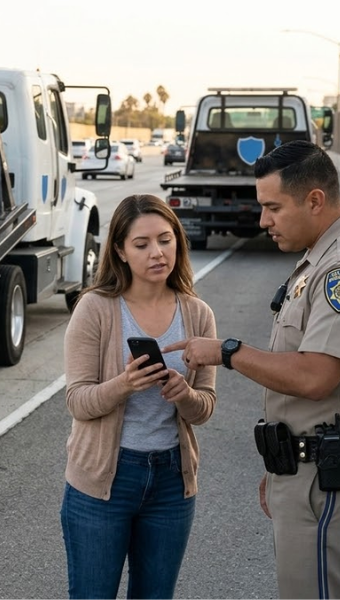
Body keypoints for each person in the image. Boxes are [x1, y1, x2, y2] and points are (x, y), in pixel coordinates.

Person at [168, 140, 340, 599]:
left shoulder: (335, 269)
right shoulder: (316, 259)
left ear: (315, 200)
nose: (263, 220)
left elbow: (316, 376)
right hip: (307, 472)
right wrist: (286, 467)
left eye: (273, 207)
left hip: (324, 484)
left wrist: (227, 352)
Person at [61, 194, 218, 599]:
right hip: (103, 480)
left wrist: (184, 395)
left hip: (171, 480)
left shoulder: (198, 313)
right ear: (120, 250)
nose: (157, 253)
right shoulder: (95, 308)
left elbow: (204, 408)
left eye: (165, 240)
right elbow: (77, 400)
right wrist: (125, 384)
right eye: (142, 244)